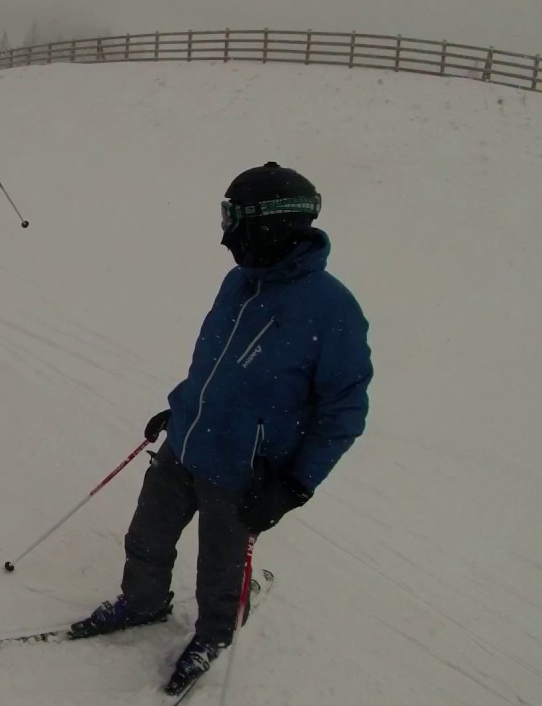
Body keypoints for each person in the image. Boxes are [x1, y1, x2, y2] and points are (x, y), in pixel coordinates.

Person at [69, 162, 373, 694]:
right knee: (146, 537)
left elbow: (343, 413)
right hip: (186, 444)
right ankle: (142, 604)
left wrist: (296, 484)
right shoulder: (238, 281)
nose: (225, 232)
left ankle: (213, 633)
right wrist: (181, 408)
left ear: (270, 223)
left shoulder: (332, 309)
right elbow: (214, 364)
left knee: (220, 569)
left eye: (233, 217)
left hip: (243, 474)